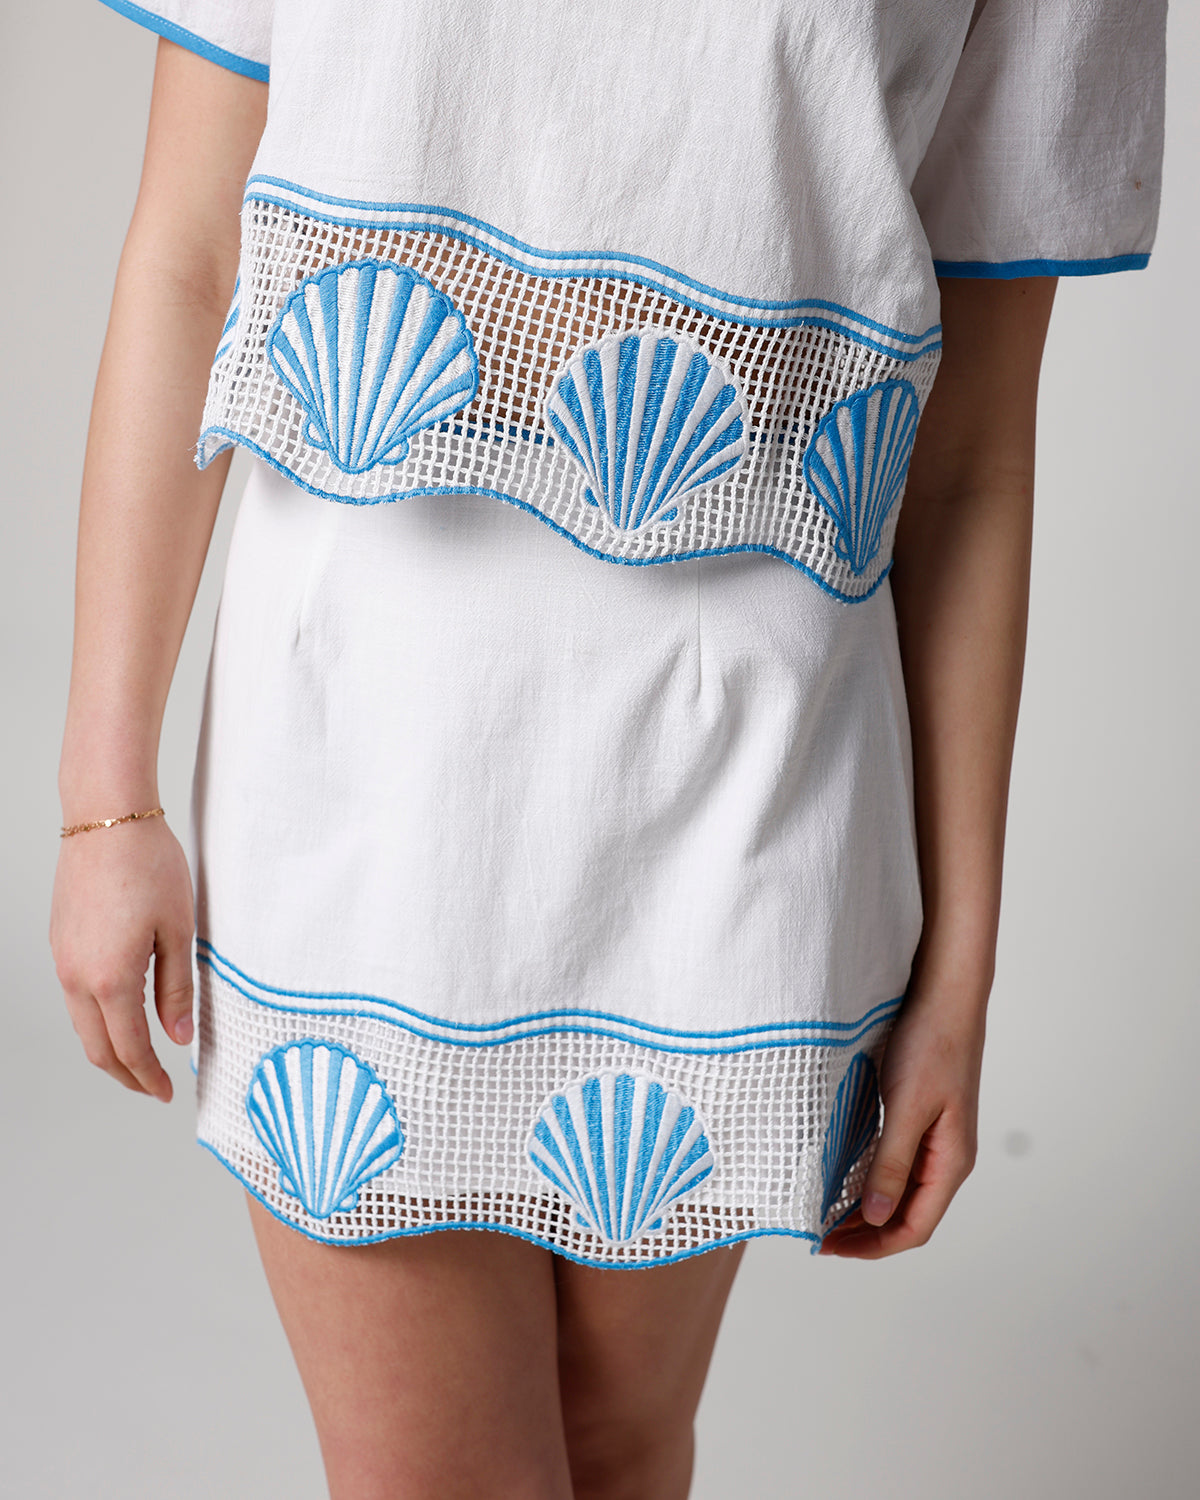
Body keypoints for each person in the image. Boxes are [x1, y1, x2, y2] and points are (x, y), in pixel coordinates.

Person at [51, 3, 1167, 1496]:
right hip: (364, 758)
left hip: (749, 785)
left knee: (621, 1450)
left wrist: (959, 969)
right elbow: (189, 257)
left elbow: (969, 460)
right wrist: (105, 801)